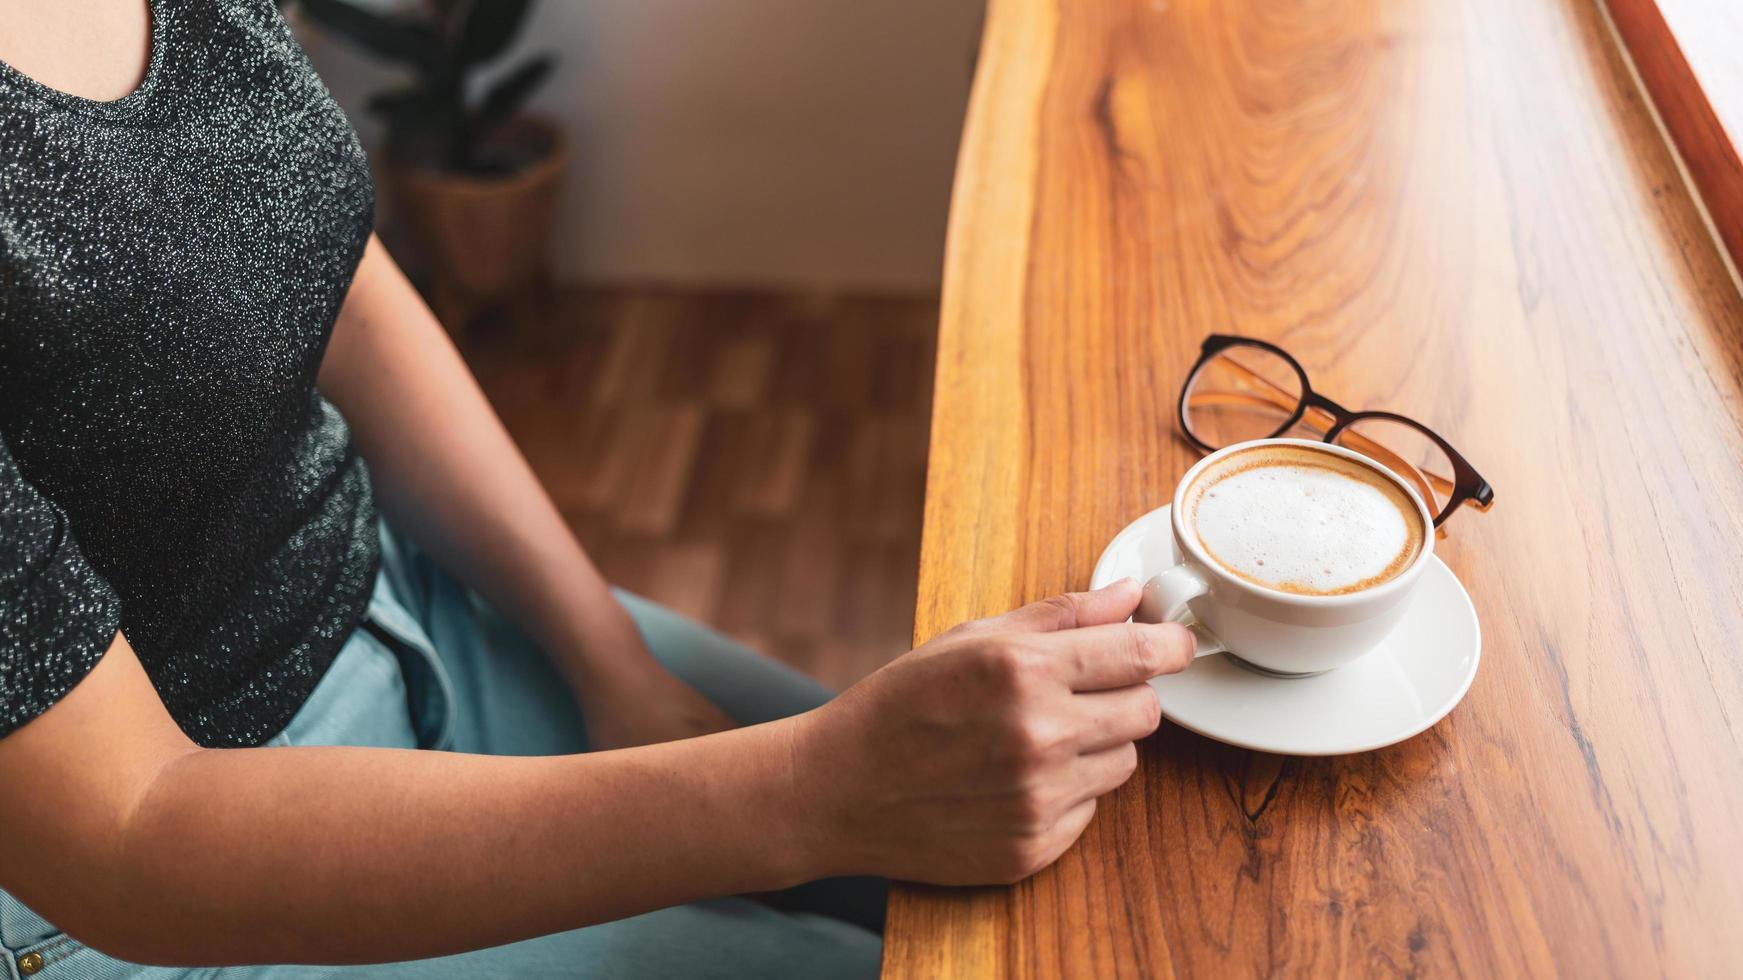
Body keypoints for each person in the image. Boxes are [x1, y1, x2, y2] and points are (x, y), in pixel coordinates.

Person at [0, 1, 1195, 976]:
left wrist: (606, 659)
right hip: (167, 882)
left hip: (396, 603)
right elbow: (133, 825)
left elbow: (333, 279)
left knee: (1055, 870)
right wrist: (811, 788)